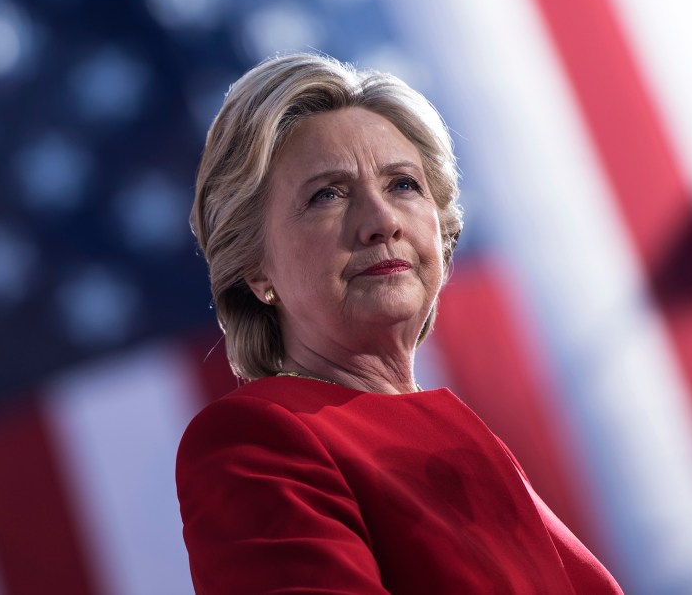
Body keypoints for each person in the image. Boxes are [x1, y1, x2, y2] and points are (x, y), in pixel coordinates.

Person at [176, 53, 622, 593]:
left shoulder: (466, 449)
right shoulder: (257, 437)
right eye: (327, 195)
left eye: (403, 185)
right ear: (255, 266)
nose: (382, 221)